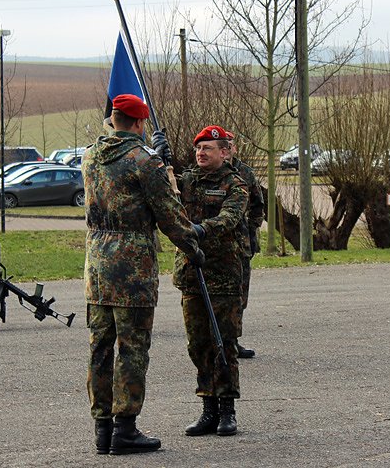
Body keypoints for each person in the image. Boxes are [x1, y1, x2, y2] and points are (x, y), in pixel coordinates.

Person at [83, 94, 204, 456]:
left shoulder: (90, 156)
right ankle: (126, 428)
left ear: (113, 119)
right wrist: (192, 246)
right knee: (132, 348)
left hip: (97, 266)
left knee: (100, 348)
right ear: (139, 123)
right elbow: (169, 215)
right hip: (132, 268)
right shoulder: (144, 161)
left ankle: (102, 429)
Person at [173, 124, 249, 437]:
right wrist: (158, 159)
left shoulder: (235, 184)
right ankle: (208, 408)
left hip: (223, 275)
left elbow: (230, 218)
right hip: (192, 273)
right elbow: (162, 192)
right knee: (198, 344)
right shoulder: (186, 180)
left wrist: (200, 230)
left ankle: (227, 409)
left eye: (208, 148)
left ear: (225, 152)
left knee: (224, 344)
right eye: (199, 148)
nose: (202, 153)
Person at [222, 130, 264, 359]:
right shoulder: (203, 174)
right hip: (214, 246)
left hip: (240, 245)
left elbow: (258, 204)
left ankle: (233, 340)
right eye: (223, 146)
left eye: (230, 146)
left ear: (233, 148)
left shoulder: (245, 173)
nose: (226, 150)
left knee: (239, 295)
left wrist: (251, 229)